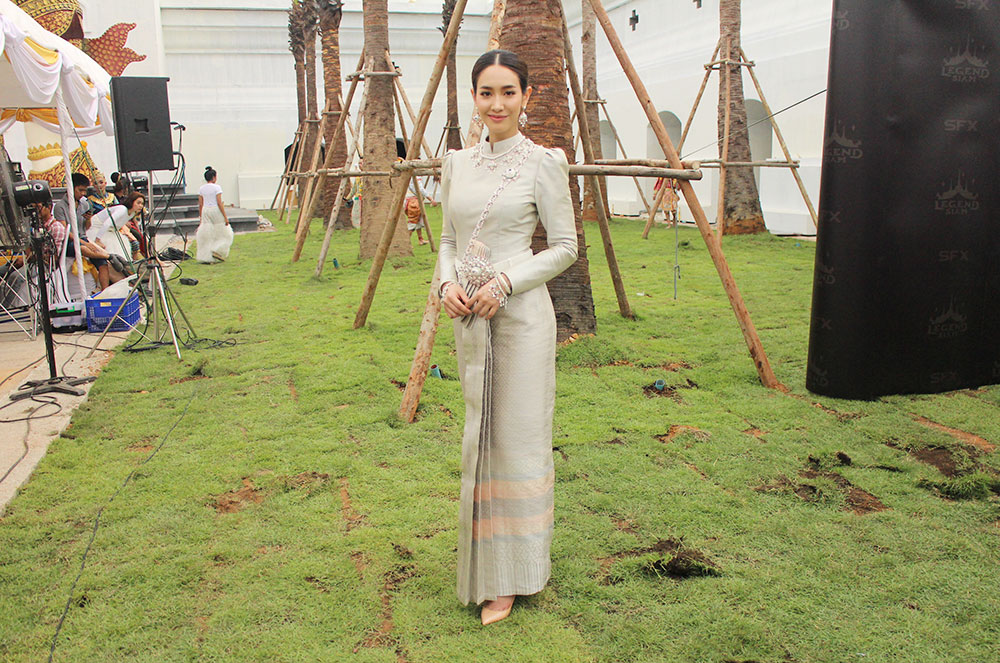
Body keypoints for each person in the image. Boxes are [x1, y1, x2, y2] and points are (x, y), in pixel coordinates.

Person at [437, 49, 578, 625]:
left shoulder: (544, 163)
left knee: (516, 441)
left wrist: (506, 281)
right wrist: (445, 285)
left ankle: (515, 576)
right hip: (469, 319)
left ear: (527, 97)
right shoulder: (456, 164)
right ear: (474, 96)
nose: (496, 104)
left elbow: (565, 247)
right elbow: (448, 241)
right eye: (486, 92)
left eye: (508, 92)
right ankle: (483, 564)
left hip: (520, 321)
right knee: (480, 439)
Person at [195, 166, 234, 263]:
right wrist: (225, 217)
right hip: (215, 210)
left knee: (207, 234)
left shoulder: (201, 188)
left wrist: (201, 217)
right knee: (223, 233)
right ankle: (217, 250)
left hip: (205, 210)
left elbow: (200, 204)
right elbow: (219, 203)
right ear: (213, 177)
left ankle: (206, 256)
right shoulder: (217, 187)